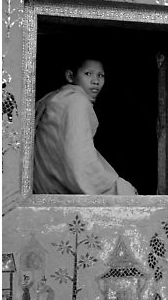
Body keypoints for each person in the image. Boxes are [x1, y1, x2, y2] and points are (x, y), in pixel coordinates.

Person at [33, 56, 137, 195]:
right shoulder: (76, 102)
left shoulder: (57, 98)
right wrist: (118, 188)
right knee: (126, 192)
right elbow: (79, 160)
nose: (96, 81)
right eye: (88, 74)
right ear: (70, 76)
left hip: (43, 187)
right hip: (61, 188)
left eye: (101, 75)